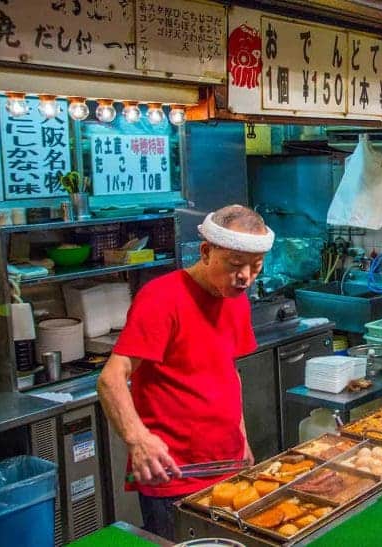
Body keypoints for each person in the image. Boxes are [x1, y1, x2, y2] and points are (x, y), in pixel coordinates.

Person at [97, 205, 273, 540]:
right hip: (175, 474)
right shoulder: (161, 297)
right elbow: (111, 378)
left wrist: (242, 436)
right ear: (206, 252)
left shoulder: (236, 298)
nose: (245, 277)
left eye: (256, 267)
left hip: (227, 465)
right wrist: (138, 438)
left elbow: (228, 372)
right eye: (236, 265)